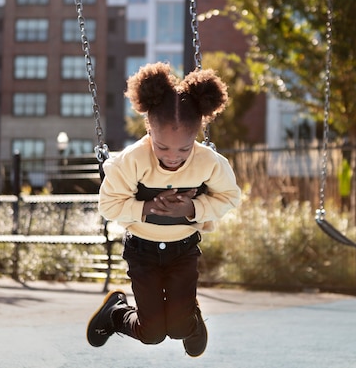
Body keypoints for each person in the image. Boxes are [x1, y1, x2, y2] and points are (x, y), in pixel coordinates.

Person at [86, 62, 242, 357]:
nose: (173, 157)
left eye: (184, 149)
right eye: (162, 147)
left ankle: (189, 319)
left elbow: (229, 197)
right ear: (149, 131)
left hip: (183, 250)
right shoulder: (131, 161)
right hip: (142, 252)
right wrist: (145, 208)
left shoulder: (208, 162)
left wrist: (192, 207)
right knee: (153, 334)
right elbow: (108, 205)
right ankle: (116, 313)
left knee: (180, 328)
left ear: (196, 135)